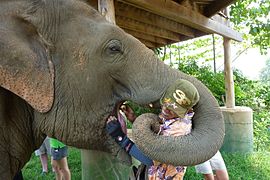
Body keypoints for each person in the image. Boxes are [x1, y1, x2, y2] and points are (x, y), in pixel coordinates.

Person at [107, 79, 200, 180]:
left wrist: (121, 138)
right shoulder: (173, 117)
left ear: (186, 110)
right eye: (166, 103)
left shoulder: (179, 130)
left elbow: (151, 159)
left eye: (173, 109)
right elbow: (154, 137)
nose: (165, 110)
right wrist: (134, 119)